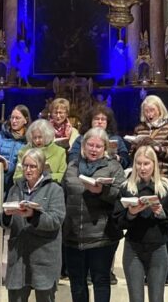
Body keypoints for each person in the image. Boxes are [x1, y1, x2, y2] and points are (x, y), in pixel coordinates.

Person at [113, 145, 168, 302]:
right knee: (136, 298)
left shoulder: (165, 186)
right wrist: (131, 214)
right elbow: (117, 220)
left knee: (157, 298)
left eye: (146, 164)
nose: (142, 168)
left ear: (154, 164)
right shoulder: (127, 187)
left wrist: (161, 213)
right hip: (133, 248)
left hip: (158, 247)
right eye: (138, 164)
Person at [62, 128, 125, 302]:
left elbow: (122, 195)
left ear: (105, 148)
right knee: (77, 284)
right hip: (73, 235)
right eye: (90, 145)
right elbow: (63, 194)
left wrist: (102, 192)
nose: (94, 149)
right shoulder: (72, 166)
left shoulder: (113, 167)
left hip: (102, 236)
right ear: (83, 145)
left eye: (98, 146)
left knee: (100, 281)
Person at [130, 94, 168, 283]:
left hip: (163, 180)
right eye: (146, 111)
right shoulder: (140, 129)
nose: (149, 114)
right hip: (143, 180)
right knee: (145, 225)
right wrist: (136, 146)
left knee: (163, 225)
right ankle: (147, 270)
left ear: (160, 110)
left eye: (152, 110)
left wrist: (158, 148)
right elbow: (133, 155)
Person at [2, 148, 67, 302]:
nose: (28, 170)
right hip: (19, 254)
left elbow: (56, 220)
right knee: (16, 297)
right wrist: (6, 215)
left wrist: (33, 215)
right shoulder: (15, 188)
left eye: (33, 166)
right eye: (25, 166)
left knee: (45, 297)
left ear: (41, 167)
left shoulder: (54, 190)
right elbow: (6, 222)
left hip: (44, 255)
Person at [67, 102, 130, 168]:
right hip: (84, 169)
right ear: (90, 121)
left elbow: (126, 161)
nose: (100, 122)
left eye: (103, 119)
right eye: (96, 119)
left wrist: (118, 158)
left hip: (110, 170)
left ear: (107, 122)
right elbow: (72, 158)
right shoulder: (81, 138)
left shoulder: (116, 139)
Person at [0, 105, 31, 190]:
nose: (14, 121)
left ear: (26, 120)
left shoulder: (29, 141)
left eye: (17, 118)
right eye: (12, 118)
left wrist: (8, 166)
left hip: (18, 184)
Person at [13, 117, 67, 182]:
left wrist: (44, 178)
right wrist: (32, 177)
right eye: (34, 137)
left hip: (51, 186)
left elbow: (63, 176)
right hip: (28, 186)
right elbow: (16, 177)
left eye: (40, 137)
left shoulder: (60, 152)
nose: (37, 140)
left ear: (47, 136)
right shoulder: (23, 151)